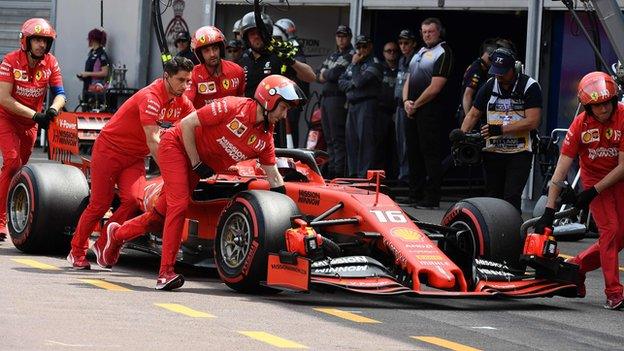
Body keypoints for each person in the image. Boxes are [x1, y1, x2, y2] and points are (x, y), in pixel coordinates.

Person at [94, 75, 306, 290]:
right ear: (269, 100)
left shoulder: (265, 139)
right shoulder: (232, 106)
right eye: (284, 107)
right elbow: (187, 123)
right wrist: (196, 161)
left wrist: (292, 218)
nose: (285, 114)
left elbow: (274, 178)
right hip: (175, 146)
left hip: (198, 165)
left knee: (159, 218)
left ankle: (117, 234)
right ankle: (165, 273)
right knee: (179, 206)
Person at [68, 57, 195, 269]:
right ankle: (77, 250)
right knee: (100, 204)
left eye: (188, 81)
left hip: (135, 157)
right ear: (167, 77)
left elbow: (196, 125)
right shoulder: (151, 96)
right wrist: (171, 174)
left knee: (134, 200)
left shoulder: (182, 101)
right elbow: (154, 140)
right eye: (181, 80)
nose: (185, 86)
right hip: (109, 150)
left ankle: (104, 243)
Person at [534, 72, 624, 310]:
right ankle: (614, 293)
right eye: (597, 105)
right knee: (611, 231)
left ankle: (575, 267)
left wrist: (592, 192)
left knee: (618, 238)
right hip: (594, 178)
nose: (603, 109)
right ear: (587, 106)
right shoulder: (580, 124)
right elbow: (562, 167)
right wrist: (549, 209)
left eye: (606, 103)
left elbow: (623, 166)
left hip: (618, 179)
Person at [0, 18, 66, 239]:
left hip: (31, 123)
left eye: (45, 41)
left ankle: (12, 210)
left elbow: (60, 94)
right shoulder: (9, 61)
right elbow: (4, 99)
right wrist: (36, 115)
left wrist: (53, 111)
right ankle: (0, 221)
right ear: (25, 41)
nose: (41, 45)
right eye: (36, 40)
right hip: (7, 118)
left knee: (20, 169)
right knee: (11, 163)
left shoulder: (51, 63)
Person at [460, 48, 542, 212]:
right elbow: (474, 114)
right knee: (492, 197)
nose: (499, 75)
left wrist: (501, 129)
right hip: (493, 151)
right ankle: (493, 234)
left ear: (514, 68)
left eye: (503, 72)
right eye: (496, 72)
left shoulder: (529, 86)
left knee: (511, 196)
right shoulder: (490, 85)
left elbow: (533, 121)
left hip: (520, 151)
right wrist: (461, 138)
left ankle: (513, 235)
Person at [239, 12, 315, 147]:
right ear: (246, 38)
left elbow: (310, 77)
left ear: (267, 34)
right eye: (252, 33)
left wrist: (291, 61)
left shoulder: (279, 56)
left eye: (260, 32)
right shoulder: (242, 60)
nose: (256, 36)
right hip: (248, 123)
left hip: (275, 124)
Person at [402, 18, 453, 209]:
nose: (427, 35)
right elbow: (408, 78)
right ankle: (414, 194)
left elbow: (436, 86)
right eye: (424, 32)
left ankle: (431, 198)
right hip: (412, 109)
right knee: (413, 153)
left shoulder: (444, 52)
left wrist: (416, 105)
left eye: (430, 31)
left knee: (430, 155)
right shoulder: (420, 52)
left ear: (439, 32)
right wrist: (406, 101)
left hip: (430, 111)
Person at [338, 35, 383, 178]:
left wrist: (355, 68)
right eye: (358, 47)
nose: (361, 50)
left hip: (367, 105)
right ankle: (353, 174)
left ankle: (364, 176)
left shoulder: (374, 63)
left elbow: (358, 82)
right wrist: (352, 83)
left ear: (370, 46)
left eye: (364, 46)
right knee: (351, 141)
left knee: (365, 141)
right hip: (352, 106)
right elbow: (341, 81)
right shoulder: (354, 63)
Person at [317, 25, 354, 178]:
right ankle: (331, 170)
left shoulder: (350, 54)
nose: (341, 39)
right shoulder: (333, 55)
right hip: (326, 99)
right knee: (328, 138)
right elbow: (318, 74)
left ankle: (338, 173)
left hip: (338, 100)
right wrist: (326, 73)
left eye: (344, 36)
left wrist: (326, 73)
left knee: (338, 138)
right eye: (338, 35)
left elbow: (333, 74)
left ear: (349, 37)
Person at [184, 26, 245, 109]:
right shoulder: (192, 75)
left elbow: (242, 103)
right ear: (200, 54)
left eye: (215, 48)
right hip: (202, 121)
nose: (212, 54)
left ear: (221, 49)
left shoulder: (237, 71)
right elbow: (185, 106)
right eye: (206, 50)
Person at [394, 29, 417, 187]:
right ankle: (403, 175)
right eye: (400, 43)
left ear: (414, 43)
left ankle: (408, 178)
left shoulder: (416, 59)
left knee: (407, 144)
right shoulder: (402, 60)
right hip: (398, 107)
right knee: (399, 143)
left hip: (410, 106)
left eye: (406, 43)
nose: (403, 46)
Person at [458, 38, 497, 123]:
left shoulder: (485, 68)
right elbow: (467, 95)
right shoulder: (476, 68)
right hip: (469, 115)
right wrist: (469, 120)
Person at [377, 41, 399, 176]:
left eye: (394, 51)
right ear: (383, 53)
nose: (391, 53)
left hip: (398, 112)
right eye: (388, 51)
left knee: (396, 147)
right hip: (381, 112)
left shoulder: (403, 68)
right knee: (380, 145)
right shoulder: (379, 68)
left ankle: (396, 177)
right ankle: (381, 177)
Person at [77, 28, 110, 101]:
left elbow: (105, 72)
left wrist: (88, 74)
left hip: (96, 88)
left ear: (93, 39)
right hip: (87, 86)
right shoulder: (92, 53)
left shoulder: (101, 54)